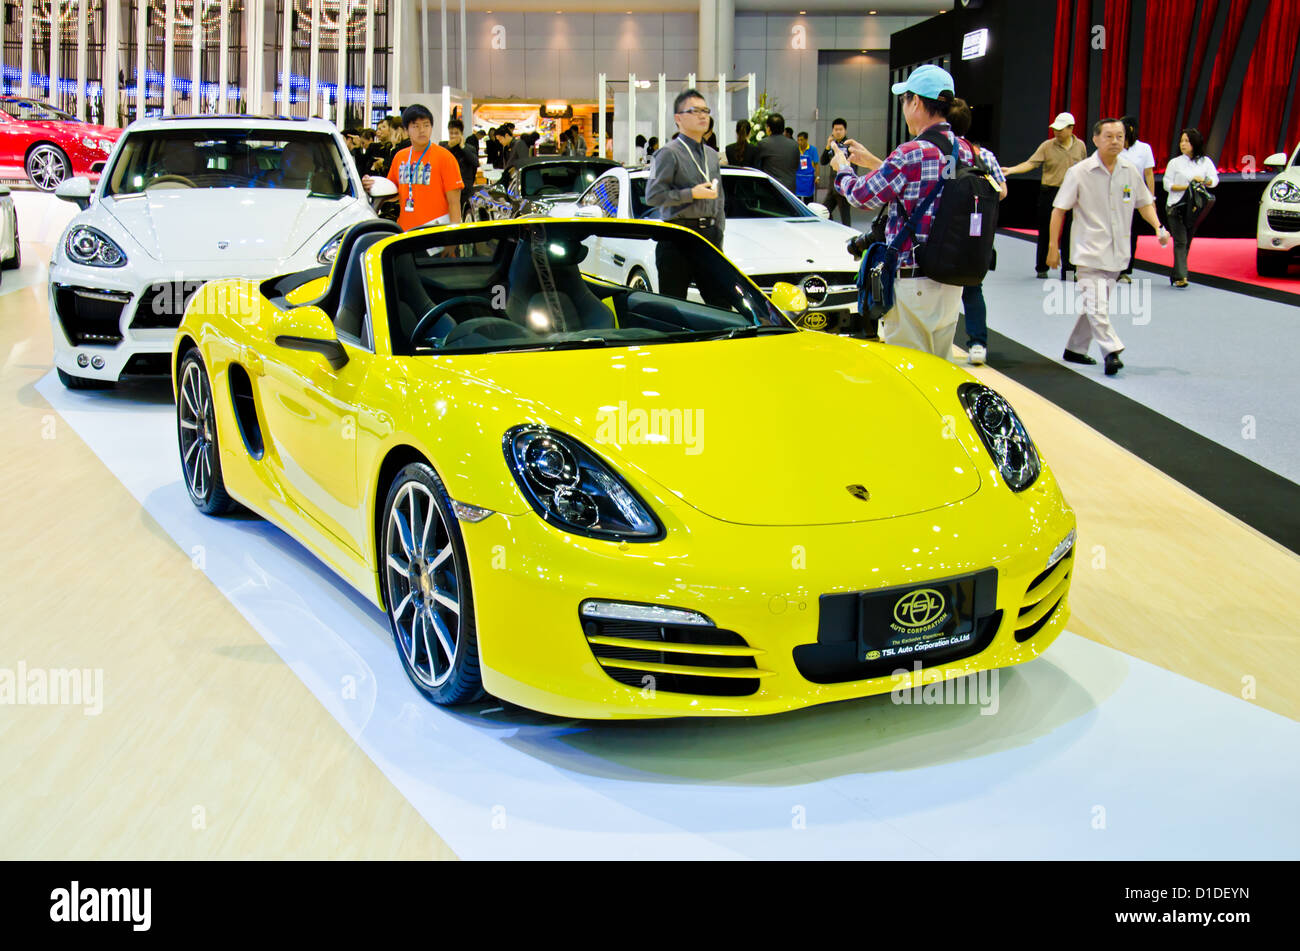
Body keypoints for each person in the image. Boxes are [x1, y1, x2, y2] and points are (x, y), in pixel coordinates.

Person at [829, 64, 975, 358]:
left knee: (908, 372)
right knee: (939, 368)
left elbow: (862, 195)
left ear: (917, 102)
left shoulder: (910, 153)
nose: (905, 107)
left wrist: (843, 169)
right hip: (951, 281)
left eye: (905, 100)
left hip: (912, 282)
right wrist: (877, 163)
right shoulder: (971, 152)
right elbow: (997, 189)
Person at [1048, 118, 1170, 375]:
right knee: (1097, 305)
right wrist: (1052, 247)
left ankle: (1075, 348)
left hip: (1118, 253)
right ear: (1095, 139)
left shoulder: (1129, 170)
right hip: (1088, 251)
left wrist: (1158, 226)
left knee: (1095, 305)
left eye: (1119, 136)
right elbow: (1059, 210)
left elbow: (1144, 203)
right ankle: (1111, 351)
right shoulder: (1080, 172)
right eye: (1109, 136)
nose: (1115, 141)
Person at [643, 88, 727, 303]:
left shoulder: (711, 154)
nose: (703, 115)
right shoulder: (668, 153)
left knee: (721, 306)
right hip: (677, 236)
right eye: (695, 111)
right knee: (674, 307)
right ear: (678, 118)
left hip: (708, 235)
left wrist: (718, 232)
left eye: (706, 110)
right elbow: (653, 196)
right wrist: (691, 194)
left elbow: (719, 198)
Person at [948, 98, 1007, 366]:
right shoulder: (982, 155)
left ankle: (940, 344)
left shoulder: (941, 153)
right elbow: (1002, 191)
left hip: (945, 229)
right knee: (973, 287)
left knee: (939, 287)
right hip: (975, 232)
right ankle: (978, 343)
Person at [1002, 112, 1087, 278]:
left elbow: (1084, 168)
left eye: (1061, 129)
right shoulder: (1047, 146)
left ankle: (1069, 271)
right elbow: (1031, 163)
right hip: (1050, 191)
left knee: (1071, 232)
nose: (1057, 132)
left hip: (1072, 193)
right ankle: (1042, 267)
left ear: (1071, 129)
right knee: (1046, 230)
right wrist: (1011, 170)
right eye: (1055, 129)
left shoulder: (1080, 146)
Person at [363, 104, 463, 230]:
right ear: (406, 130)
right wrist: (372, 184)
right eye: (416, 126)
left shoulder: (445, 158)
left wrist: (453, 239)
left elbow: (454, 204)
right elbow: (393, 193)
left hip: (436, 234)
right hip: (406, 232)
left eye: (426, 125)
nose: (422, 130)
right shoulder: (400, 157)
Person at [1163, 127, 1219, 289]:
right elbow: (1167, 184)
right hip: (1175, 206)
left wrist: (1204, 181)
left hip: (1194, 208)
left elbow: (1214, 180)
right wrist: (1185, 187)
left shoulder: (1205, 162)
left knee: (1187, 242)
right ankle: (1182, 276)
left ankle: (1176, 273)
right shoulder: (1175, 163)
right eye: (1181, 141)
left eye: (1187, 141)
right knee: (1180, 241)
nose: (1183, 144)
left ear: (1195, 143)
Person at [1118, 116, 1156, 284]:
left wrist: (1151, 198)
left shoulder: (1144, 149)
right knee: (1115, 233)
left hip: (1135, 196)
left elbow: (1148, 174)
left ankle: (1125, 269)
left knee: (1131, 234)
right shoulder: (1115, 147)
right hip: (1115, 196)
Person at [754, 112, 800, 194]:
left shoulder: (763, 144)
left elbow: (756, 167)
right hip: (790, 191)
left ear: (768, 128)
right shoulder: (794, 145)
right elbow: (796, 166)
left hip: (771, 190)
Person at [443, 118, 480, 217]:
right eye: (451, 133)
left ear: (461, 134)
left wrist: (463, 147)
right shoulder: (443, 147)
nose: (453, 136)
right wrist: (449, 147)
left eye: (456, 133)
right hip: (447, 190)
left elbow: (476, 163)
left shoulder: (469, 148)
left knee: (464, 215)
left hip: (465, 190)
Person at [820, 118, 853, 225]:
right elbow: (823, 161)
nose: (838, 132)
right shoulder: (832, 145)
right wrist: (827, 146)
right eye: (835, 129)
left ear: (845, 131)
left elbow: (853, 167)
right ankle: (832, 228)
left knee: (845, 217)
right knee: (823, 211)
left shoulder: (849, 146)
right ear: (832, 131)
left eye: (840, 129)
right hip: (832, 187)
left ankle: (849, 237)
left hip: (843, 187)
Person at [795, 131, 818, 204]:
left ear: (806, 140)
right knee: (796, 200)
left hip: (809, 179)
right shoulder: (795, 149)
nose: (799, 142)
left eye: (801, 140)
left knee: (808, 202)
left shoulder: (813, 149)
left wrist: (817, 177)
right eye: (798, 140)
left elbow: (816, 164)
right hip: (797, 178)